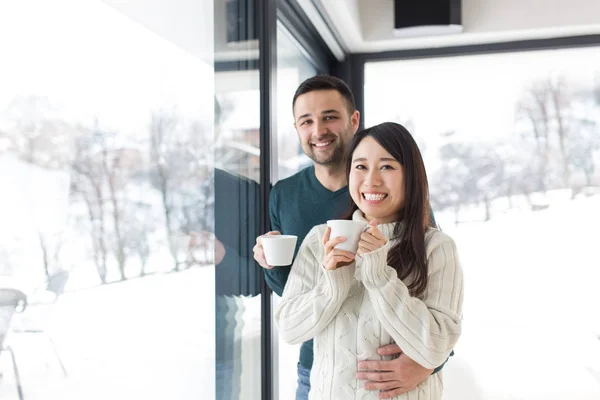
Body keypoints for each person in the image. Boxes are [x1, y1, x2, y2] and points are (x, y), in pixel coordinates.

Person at [253, 75, 449, 400]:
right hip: (318, 369)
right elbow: (294, 291)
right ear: (297, 128)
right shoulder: (284, 194)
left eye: (330, 116)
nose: (319, 131)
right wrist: (272, 266)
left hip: (390, 370)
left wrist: (427, 365)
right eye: (307, 121)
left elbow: (436, 291)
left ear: (353, 120)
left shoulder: (384, 193)